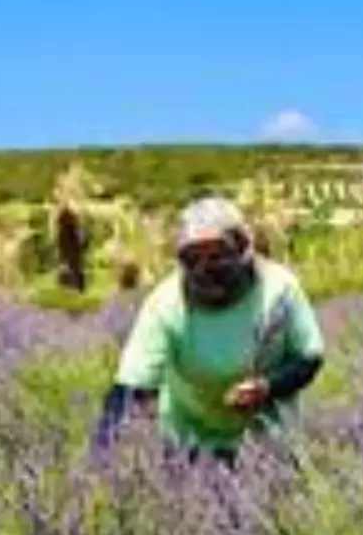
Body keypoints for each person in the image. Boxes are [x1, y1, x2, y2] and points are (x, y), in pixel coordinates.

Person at [91, 196, 326, 466]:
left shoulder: (279, 290)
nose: (206, 269)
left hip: (268, 443)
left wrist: (268, 387)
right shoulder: (166, 304)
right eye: (193, 259)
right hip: (187, 442)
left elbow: (308, 358)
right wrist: (101, 458)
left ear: (242, 251)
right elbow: (132, 388)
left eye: (217, 255)